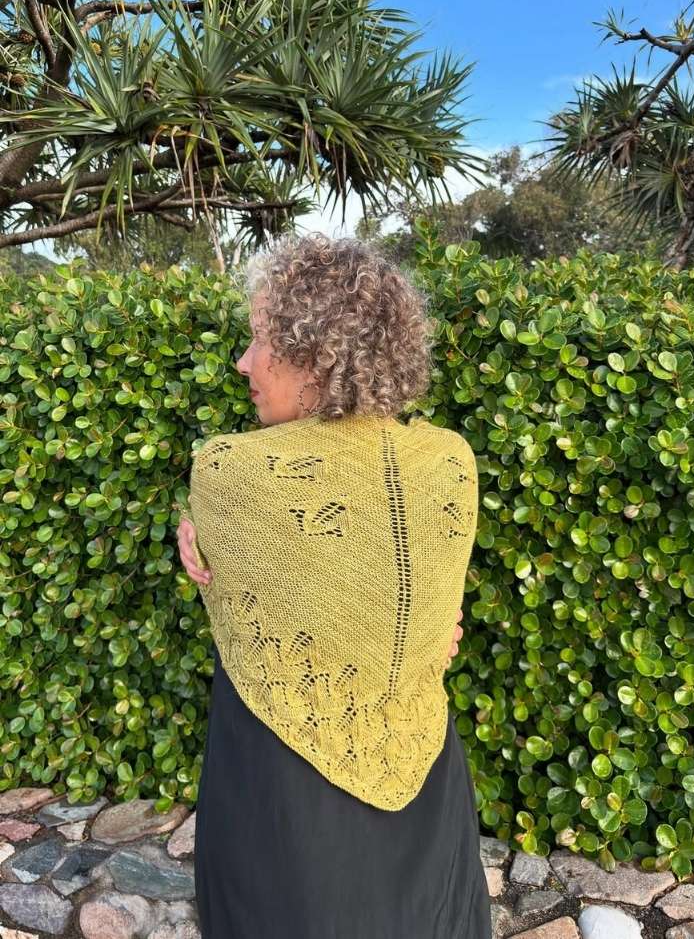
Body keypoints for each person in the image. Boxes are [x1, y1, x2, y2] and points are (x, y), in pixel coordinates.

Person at [176, 233, 492, 938]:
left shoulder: (230, 469)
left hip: (284, 803)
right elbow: (439, 629)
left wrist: (193, 538)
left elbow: (226, 577)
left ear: (317, 354)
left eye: (261, 341)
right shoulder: (450, 462)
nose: (243, 362)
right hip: (426, 785)